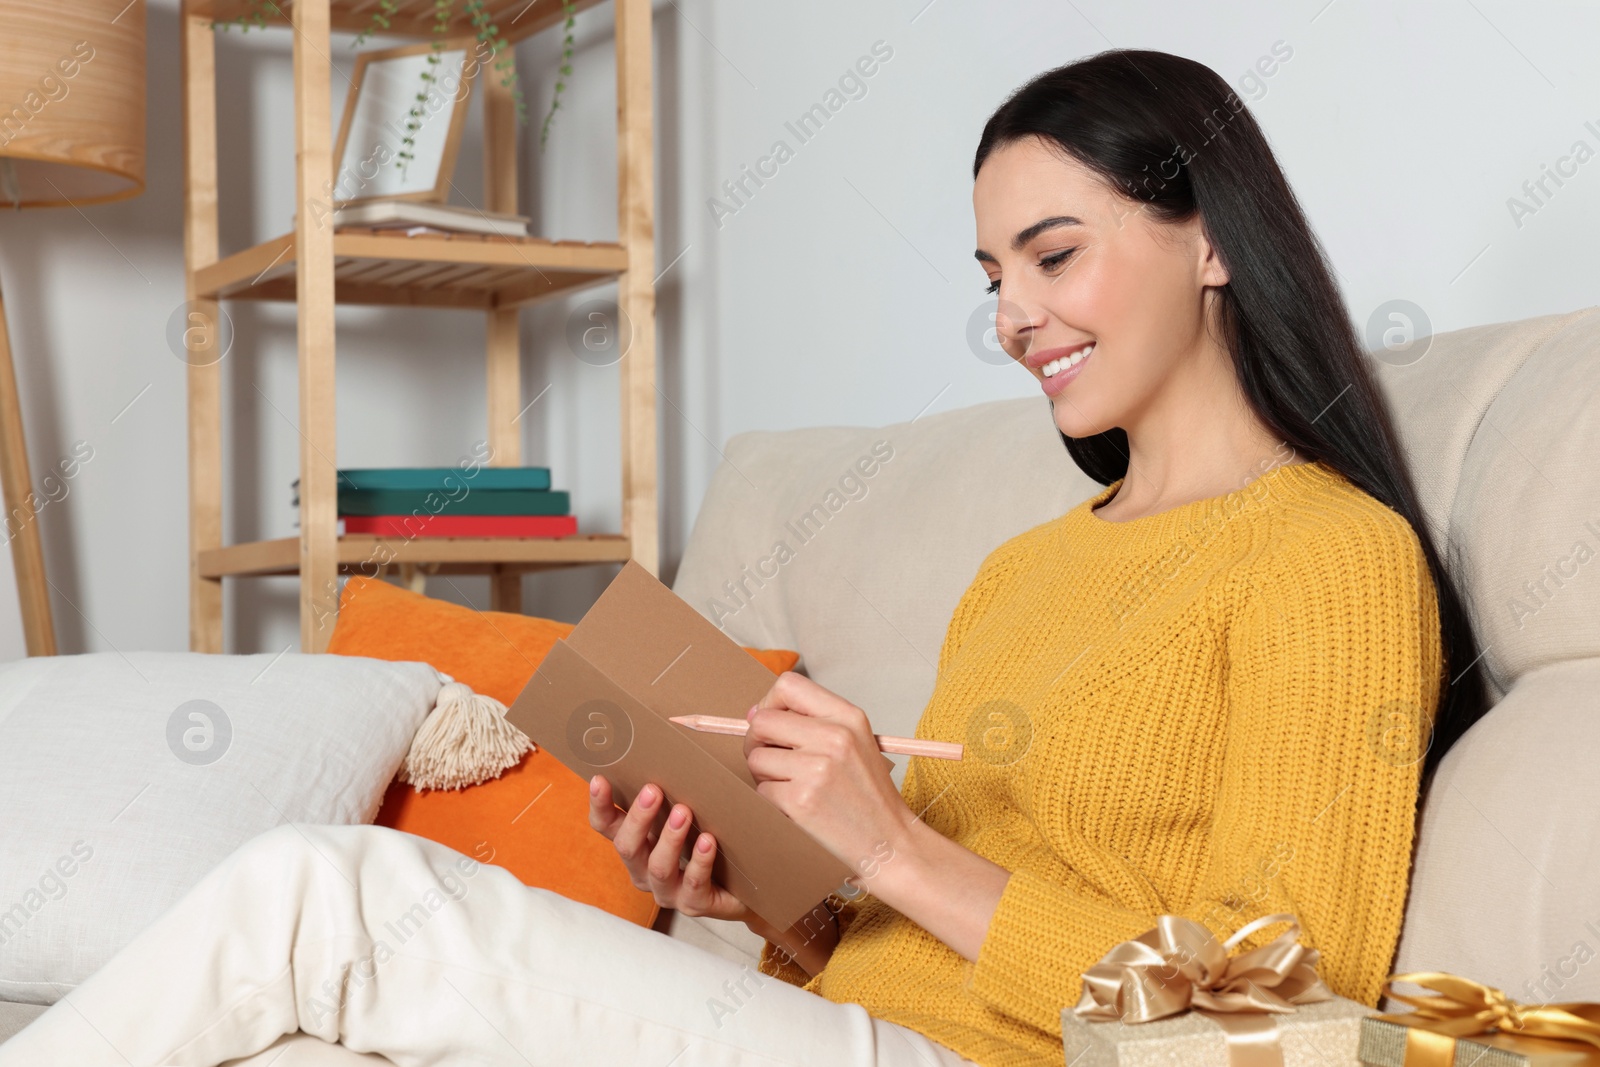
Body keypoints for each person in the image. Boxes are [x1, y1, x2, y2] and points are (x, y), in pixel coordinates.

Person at [0, 46, 1488, 1067]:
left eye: (1054, 253)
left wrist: (895, 843)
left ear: (1213, 238)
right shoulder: (1025, 568)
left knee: (320, 896)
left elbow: (1281, 1032)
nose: (1014, 314)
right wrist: (770, 891)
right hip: (866, 1029)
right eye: (991, 278)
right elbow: (895, 937)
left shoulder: (1329, 559)